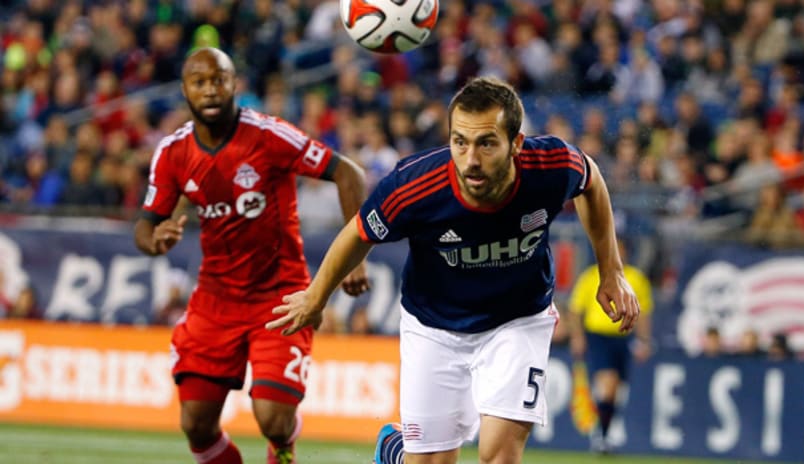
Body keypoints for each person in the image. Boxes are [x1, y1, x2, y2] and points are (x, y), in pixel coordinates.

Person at [266, 77, 640, 464]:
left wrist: (611, 272)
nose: (471, 159)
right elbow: (357, 234)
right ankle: (398, 450)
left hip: (518, 319)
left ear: (516, 144)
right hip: (434, 327)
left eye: (487, 143)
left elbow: (591, 181)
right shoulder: (413, 186)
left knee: (499, 458)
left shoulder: (551, 166)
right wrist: (316, 297)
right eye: (460, 142)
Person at [133, 47, 368, 464]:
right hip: (215, 300)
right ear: (185, 90)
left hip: (280, 295)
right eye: (199, 82)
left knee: (273, 419)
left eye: (218, 80)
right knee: (197, 426)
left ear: (234, 84)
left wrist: (356, 257)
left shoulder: (268, 135)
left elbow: (348, 172)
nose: (210, 90)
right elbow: (145, 226)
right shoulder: (173, 153)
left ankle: (284, 443)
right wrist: (156, 240)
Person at [567, 237, 653, 454]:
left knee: (618, 391)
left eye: (621, 250)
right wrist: (577, 337)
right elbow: (576, 309)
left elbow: (643, 313)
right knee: (608, 384)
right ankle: (602, 436)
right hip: (598, 337)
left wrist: (644, 340)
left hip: (624, 338)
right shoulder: (591, 276)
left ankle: (604, 432)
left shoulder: (635, 277)